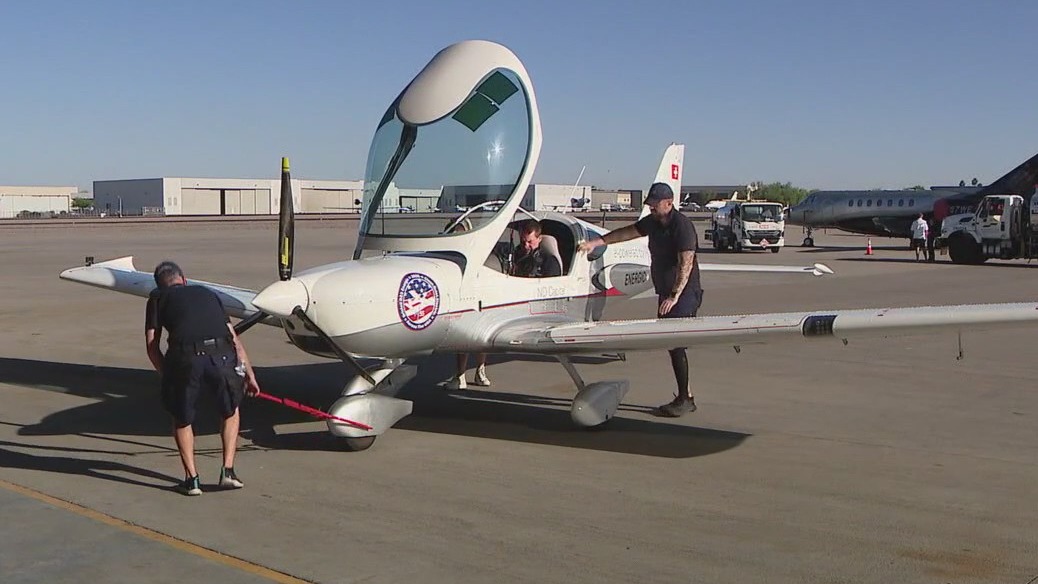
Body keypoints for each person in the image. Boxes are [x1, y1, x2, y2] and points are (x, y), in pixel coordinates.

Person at [577, 182, 702, 417]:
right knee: (671, 343)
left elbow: (686, 263)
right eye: (650, 203)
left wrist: (674, 296)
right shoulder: (653, 223)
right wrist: (598, 242)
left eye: (655, 204)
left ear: (669, 203)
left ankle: (686, 399)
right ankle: (686, 396)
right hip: (667, 292)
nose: (651, 207)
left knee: (675, 342)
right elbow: (628, 232)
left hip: (684, 292)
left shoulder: (682, 226)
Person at [145, 261, 260, 496]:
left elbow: (151, 344)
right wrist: (249, 374)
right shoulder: (208, 293)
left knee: (182, 418)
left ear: (160, 284)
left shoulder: (158, 298)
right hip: (222, 355)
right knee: (230, 410)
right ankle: (228, 471)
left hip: (185, 356)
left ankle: (192, 480)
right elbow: (234, 338)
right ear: (184, 280)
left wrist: (166, 375)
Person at [443, 217, 490, 390]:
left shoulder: (477, 250)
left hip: (477, 295)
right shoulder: (446, 250)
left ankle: (480, 370)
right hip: (458, 295)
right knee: (461, 338)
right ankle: (460, 375)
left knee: (481, 336)